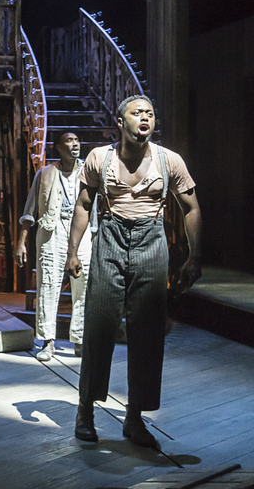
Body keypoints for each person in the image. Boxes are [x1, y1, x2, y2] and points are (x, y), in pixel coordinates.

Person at [65, 95, 201, 448]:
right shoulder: (99, 158)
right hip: (109, 238)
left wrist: (193, 256)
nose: (145, 117)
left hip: (151, 242)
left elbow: (191, 208)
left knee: (148, 332)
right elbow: (83, 205)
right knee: (99, 326)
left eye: (150, 113)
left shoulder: (168, 160)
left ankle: (135, 418)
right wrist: (72, 252)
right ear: (120, 121)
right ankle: (86, 410)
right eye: (137, 112)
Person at [14, 132, 92, 362]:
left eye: (77, 140)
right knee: (48, 283)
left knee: (84, 284)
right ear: (58, 147)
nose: (75, 144)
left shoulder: (89, 171)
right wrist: (21, 242)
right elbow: (29, 211)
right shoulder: (45, 173)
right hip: (51, 230)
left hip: (84, 231)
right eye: (69, 141)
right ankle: (48, 341)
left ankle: (79, 339)